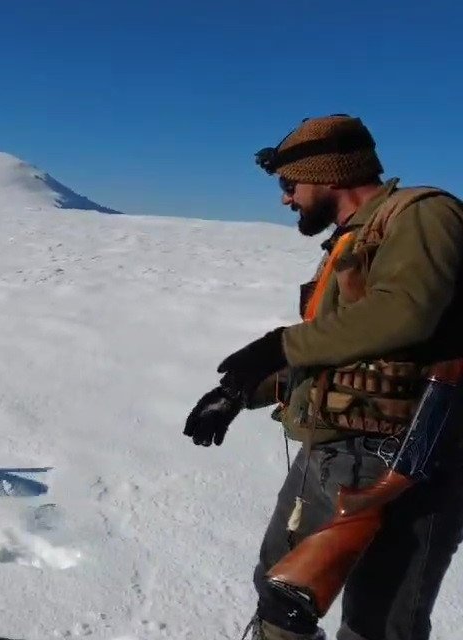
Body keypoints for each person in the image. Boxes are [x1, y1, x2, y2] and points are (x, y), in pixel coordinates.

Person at [182, 114, 463, 640]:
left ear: (331, 175)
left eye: (290, 185)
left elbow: (404, 312)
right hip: (329, 455)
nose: (285, 200)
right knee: (282, 597)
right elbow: (342, 353)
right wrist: (241, 391)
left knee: (379, 625)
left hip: (404, 462)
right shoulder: (351, 244)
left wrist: (279, 344)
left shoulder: (423, 215)